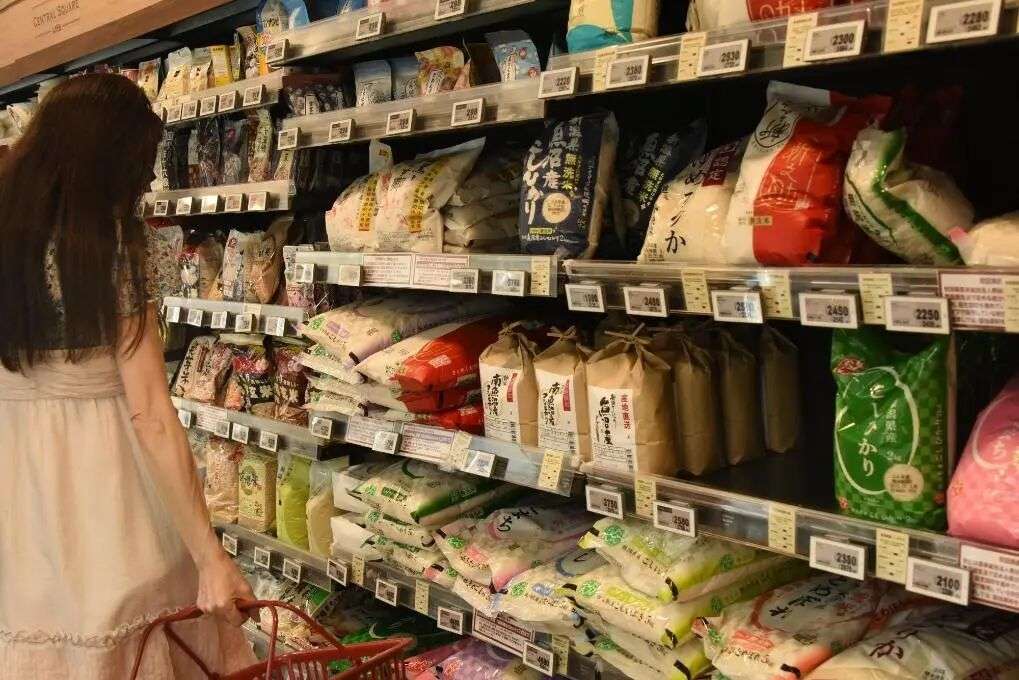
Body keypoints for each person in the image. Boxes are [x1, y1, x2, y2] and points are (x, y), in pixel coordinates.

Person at [0, 74, 256, 677]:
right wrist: (210, 557)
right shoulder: (118, 248)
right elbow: (150, 415)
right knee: (133, 618)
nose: (146, 177)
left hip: (16, 472)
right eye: (142, 160)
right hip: (104, 475)